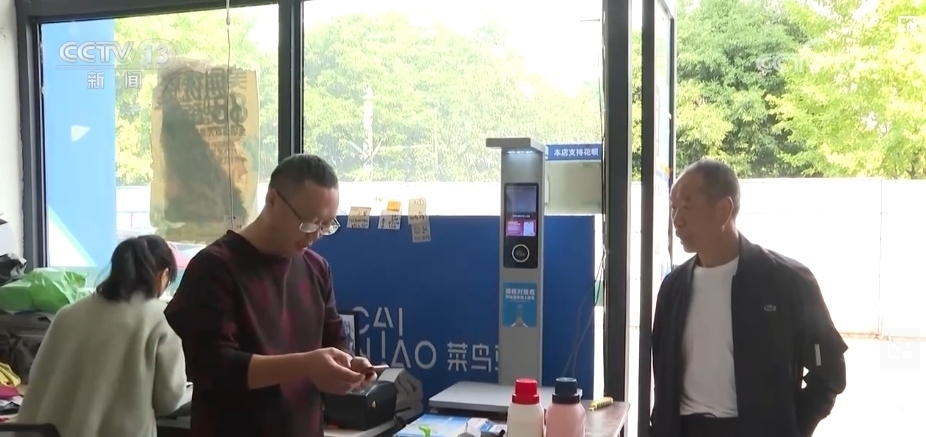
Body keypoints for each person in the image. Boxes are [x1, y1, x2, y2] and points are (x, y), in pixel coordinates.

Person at [165, 154, 376, 437]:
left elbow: (334, 341)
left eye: (326, 225)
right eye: (308, 223)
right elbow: (212, 366)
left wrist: (347, 367)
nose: (315, 235)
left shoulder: (316, 269)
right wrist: (306, 366)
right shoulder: (215, 267)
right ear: (273, 200)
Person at [650, 159, 847, 437]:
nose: (676, 220)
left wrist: (792, 428)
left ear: (723, 210)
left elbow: (829, 375)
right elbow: (663, 378)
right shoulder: (673, 288)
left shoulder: (787, 281)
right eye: (673, 208)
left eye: (686, 206)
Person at [17, 235, 188, 437]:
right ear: (164, 274)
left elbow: (38, 377)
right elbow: (168, 400)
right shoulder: (162, 318)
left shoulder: (69, 313)